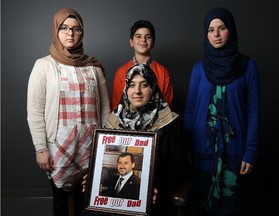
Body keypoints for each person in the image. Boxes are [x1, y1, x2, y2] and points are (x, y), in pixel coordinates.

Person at [27, 8, 111, 216]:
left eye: (76, 29)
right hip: (57, 147)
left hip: (91, 145)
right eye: (63, 28)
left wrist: (107, 146)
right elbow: (35, 110)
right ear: (56, 31)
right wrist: (40, 148)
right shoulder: (43, 66)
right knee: (62, 200)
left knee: (86, 199)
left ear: (82, 32)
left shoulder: (94, 67)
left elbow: (105, 109)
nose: (70, 33)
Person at [183, 7, 260, 216]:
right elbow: (190, 111)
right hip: (202, 151)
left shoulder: (248, 67)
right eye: (210, 30)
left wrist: (251, 151)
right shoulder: (199, 69)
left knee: (230, 207)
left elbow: (253, 112)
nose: (216, 35)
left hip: (235, 151)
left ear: (231, 30)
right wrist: (187, 149)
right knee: (201, 207)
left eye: (222, 28)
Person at [84, 64, 190, 215]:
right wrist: (95, 177)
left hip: (155, 199)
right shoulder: (114, 120)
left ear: (153, 88)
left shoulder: (171, 123)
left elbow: (180, 169)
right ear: (126, 89)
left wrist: (154, 186)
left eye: (144, 85)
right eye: (132, 85)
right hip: (115, 204)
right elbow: (104, 163)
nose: (137, 91)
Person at [111, 19, 174, 111]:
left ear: (153, 42)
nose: (143, 40)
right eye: (138, 36)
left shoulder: (162, 71)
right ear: (131, 42)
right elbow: (116, 106)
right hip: (126, 124)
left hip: (158, 123)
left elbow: (168, 106)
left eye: (148, 37)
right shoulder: (121, 72)